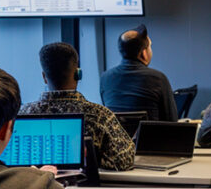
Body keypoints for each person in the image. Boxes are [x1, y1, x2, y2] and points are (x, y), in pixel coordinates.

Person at [20, 42, 135, 170]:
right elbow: (123, 160)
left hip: (36, 188)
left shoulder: (23, 114)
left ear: (44, 77)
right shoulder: (99, 115)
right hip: (86, 188)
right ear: (78, 74)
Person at [100, 24, 178, 122]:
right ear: (143, 53)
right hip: (150, 137)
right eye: (150, 46)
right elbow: (172, 122)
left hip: (117, 137)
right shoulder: (158, 79)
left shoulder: (105, 78)